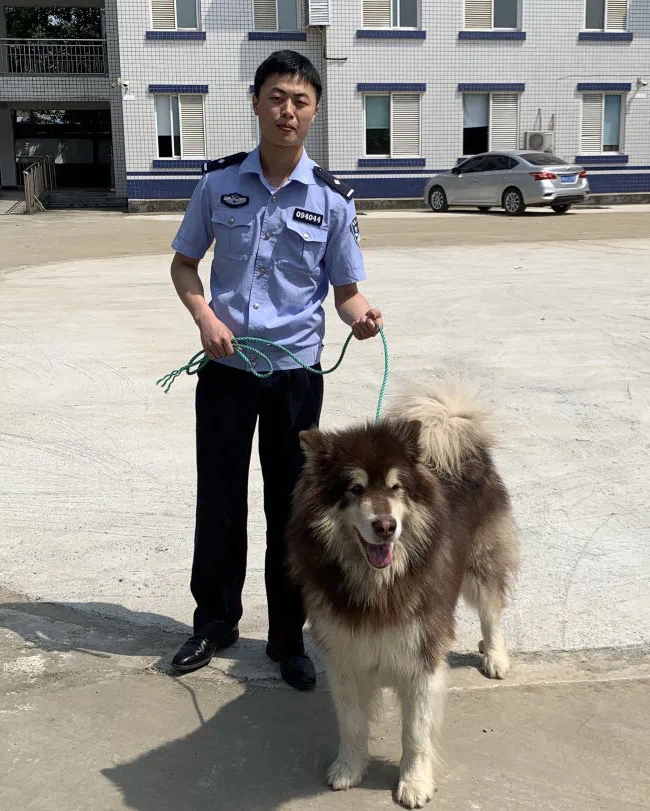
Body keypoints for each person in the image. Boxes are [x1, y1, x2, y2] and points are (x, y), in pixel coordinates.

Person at [166, 50, 383, 691]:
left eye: (300, 101)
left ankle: (288, 638)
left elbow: (345, 292)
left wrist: (362, 317)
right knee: (220, 499)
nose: (288, 111)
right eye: (277, 98)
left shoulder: (333, 200)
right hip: (227, 369)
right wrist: (205, 319)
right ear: (256, 102)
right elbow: (184, 265)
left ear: (314, 112)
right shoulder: (218, 185)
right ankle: (214, 622)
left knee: (294, 508)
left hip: (295, 376)